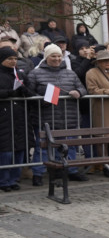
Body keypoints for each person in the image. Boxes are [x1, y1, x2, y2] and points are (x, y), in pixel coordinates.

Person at [27, 44, 88, 184]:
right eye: (53, 56)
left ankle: (70, 170)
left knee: (70, 146)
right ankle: (38, 174)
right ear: (46, 57)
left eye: (59, 56)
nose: (57, 59)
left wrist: (78, 92)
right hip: (45, 118)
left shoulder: (70, 73)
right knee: (41, 147)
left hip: (69, 117)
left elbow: (82, 88)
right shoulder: (35, 74)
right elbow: (29, 95)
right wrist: (43, 101)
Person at [0, 47, 31, 191]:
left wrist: (25, 90)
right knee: (6, 150)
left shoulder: (19, 74)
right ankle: (3, 180)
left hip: (19, 115)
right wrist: (9, 93)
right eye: (9, 59)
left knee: (20, 149)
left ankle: (14, 178)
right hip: (4, 115)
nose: (13, 62)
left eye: (15, 59)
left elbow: (31, 91)